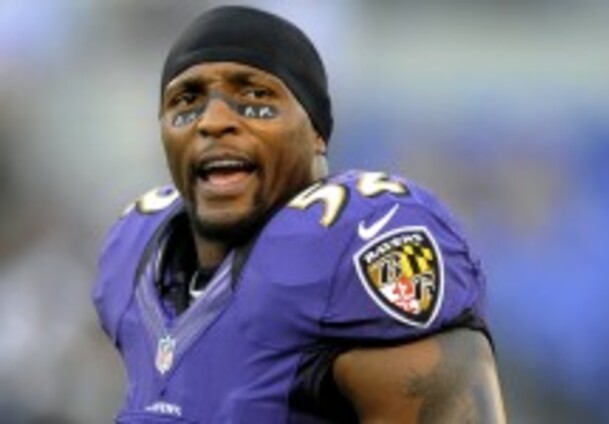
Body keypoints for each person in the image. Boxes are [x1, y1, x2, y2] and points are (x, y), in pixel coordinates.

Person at [93, 5, 506, 423]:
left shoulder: (359, 239)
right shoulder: (137, 253)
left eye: (255, 96)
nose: (213, 122)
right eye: (186, 100)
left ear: (317, 133)